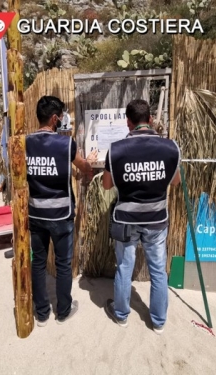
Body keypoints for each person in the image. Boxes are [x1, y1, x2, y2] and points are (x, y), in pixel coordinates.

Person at [102, 99, 181, 335]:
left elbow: (107, 185)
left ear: (128, 122)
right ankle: (158, 321)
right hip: (157, 219)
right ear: (151, 120)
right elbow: (175, 181)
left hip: (126, 220)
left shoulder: (116, 150)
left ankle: (122, 315)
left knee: (125, 267)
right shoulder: (170, 147)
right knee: (158, 270)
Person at [26, 95, 95, 327]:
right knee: (64, 264)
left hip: (35, 214)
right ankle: (63, 311)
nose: (63, 120)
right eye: (62, 116)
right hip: (62, 215)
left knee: (38, 263)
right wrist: (90, 163)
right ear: (55, 118)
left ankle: (42, 313)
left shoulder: (25, 142)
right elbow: (83, 166)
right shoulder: (66, 144)